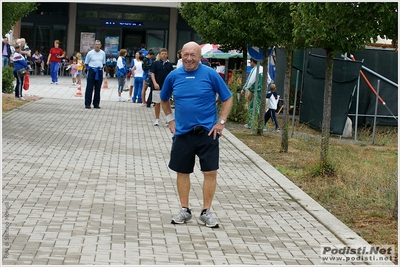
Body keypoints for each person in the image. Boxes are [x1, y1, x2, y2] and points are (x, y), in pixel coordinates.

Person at [160, 41, 233, 228]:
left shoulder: (210, 75)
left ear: (200, 57)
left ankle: (206, 211)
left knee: (210, 172)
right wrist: (170, 119)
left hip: (207, 133)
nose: (189, 58)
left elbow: (227, 98)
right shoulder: (173, 76)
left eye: (193, 55)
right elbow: (163, 98)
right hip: (183, 133)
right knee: (182, 171)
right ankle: (185, 210)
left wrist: (221, 122)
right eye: (186, 54)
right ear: (180, 55)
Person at [240, 58, 271, 128]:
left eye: (250, 62)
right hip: (263, 91)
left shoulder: (254, 70)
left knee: (252, 107)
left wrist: (244, 89)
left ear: (253, 62)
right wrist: (265, 87)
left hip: (257, 91)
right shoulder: (263, 69)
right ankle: (261, 125)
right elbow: (269, 79)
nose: (250, 64)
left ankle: (253, 124)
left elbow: (250, 81)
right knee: (260, 107)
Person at [150, 48, 174, 126]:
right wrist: (155, 83)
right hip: (157, 85)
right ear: (160, 54)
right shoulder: (156, 63)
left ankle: (168, 119)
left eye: (165, 53)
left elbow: (172, 75)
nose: (164, 55)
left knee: (167, 103)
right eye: (162, 53)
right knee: (157, 102)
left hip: (166, 86)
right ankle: (157, 118)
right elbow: (152, 74)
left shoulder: (169, 64)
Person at [84, 40, 106, 109]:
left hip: (99, 71)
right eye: (96, 44)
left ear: (100, 45)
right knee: (89, 87)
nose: (97, 46)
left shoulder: (103, 53)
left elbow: (103, 63)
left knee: (98, 88)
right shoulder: (90, 53)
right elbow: (86, 63)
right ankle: (87, 103)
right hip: (92, 71)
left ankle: (96, 103)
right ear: (94, 45)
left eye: (98, 44)